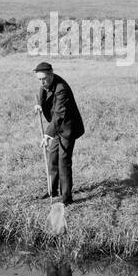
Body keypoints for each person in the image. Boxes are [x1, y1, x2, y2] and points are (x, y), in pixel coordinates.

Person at [34, 61, 84, 205]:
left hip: (68, 128)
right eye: (40, 79)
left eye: (44, 78)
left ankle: (66, 198)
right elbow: (43, 91)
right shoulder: (46, 83)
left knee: (63, 162)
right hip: (56, 127)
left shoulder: (61, 89)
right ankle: (52, 190)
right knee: (52, 158)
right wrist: (40, 104)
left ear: (52, 73)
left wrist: (47, 135)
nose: (42, 82)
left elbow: (58, 114)